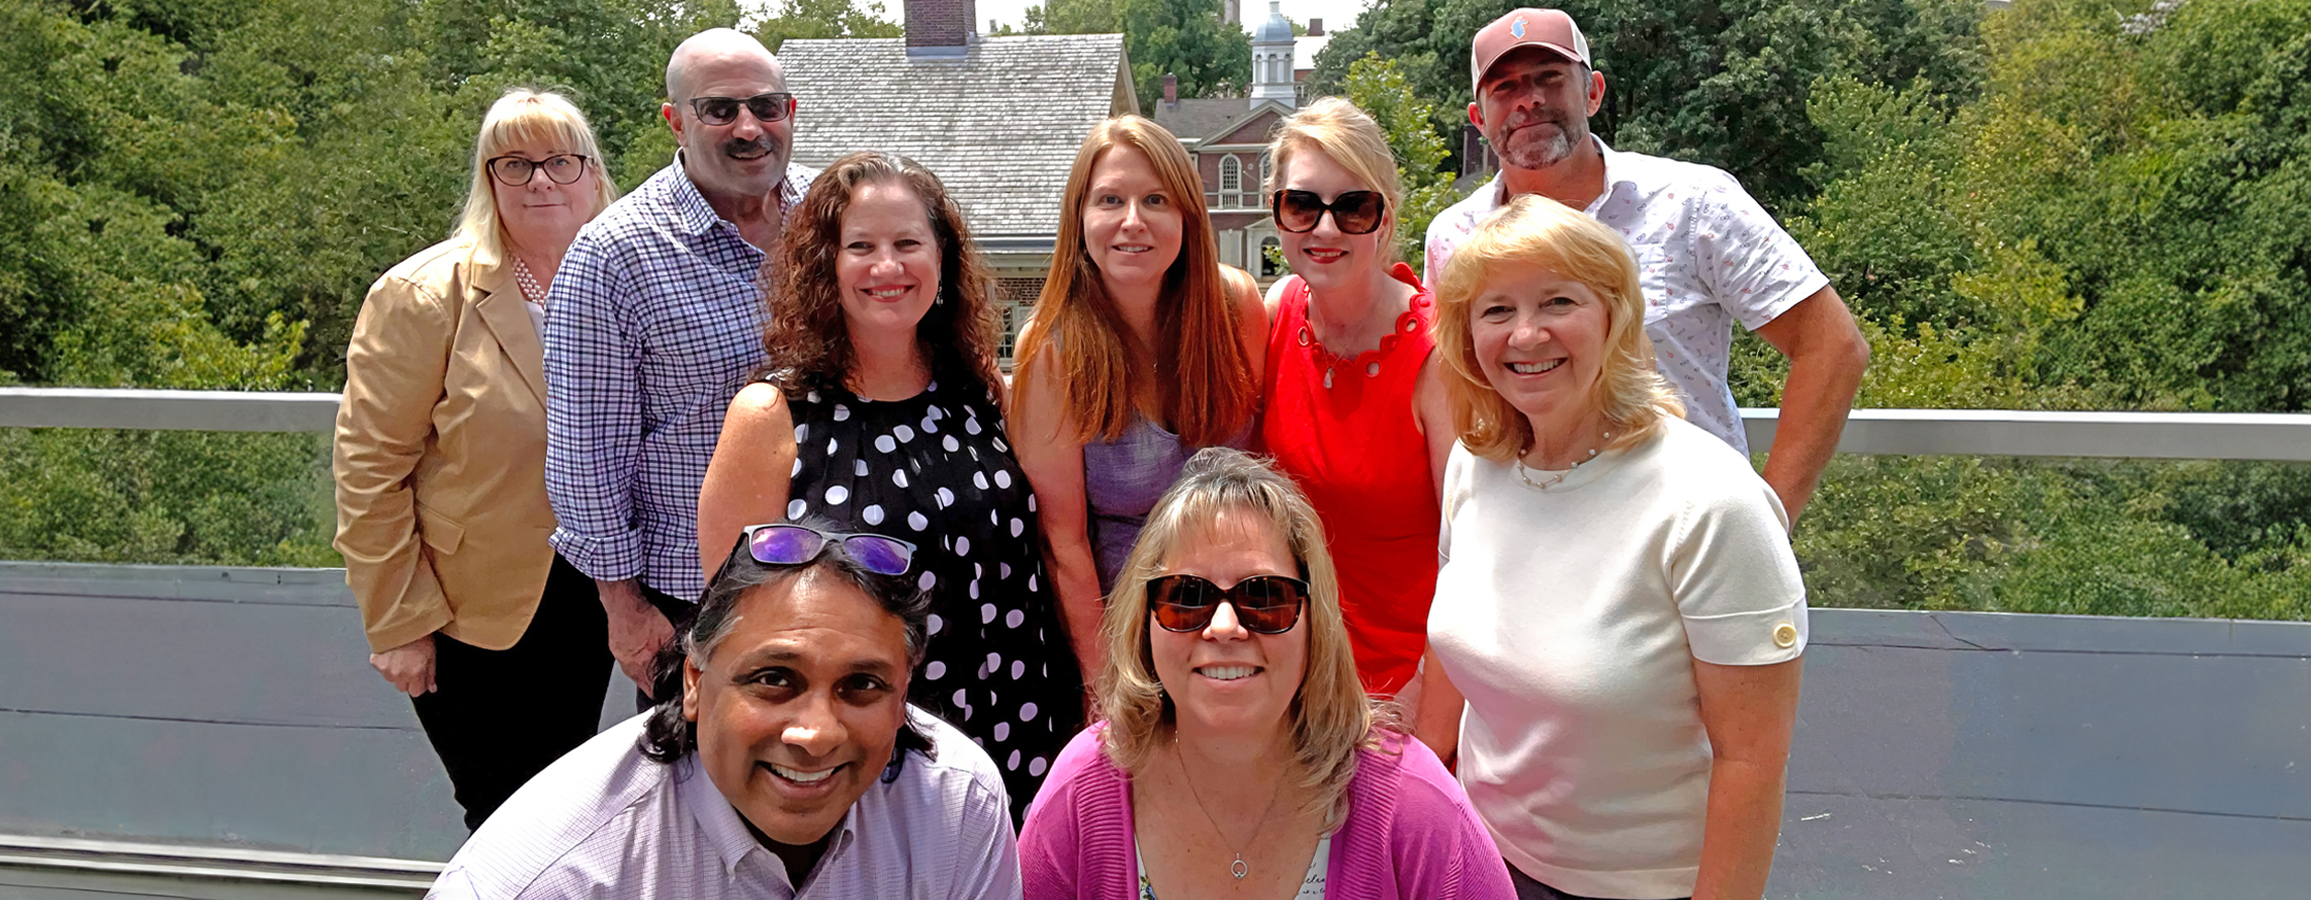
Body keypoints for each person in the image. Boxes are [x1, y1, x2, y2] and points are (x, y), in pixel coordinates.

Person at [1422, 195, 1808, 900]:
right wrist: (1419, 798)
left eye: (1557, 301)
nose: (1526, 334)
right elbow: (1454, 652)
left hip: (1638, 885)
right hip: (1479, 860)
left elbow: (1751, 759)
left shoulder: (1709, 500)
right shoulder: (1476, 466)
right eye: (1496, 310)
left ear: (1613, 316)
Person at [695, 151, 1083, 820]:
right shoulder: (773, 416)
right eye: (861, 246)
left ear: (942, 259)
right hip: (864, 749)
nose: (887, 267)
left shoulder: (985, 398)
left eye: (907, 243)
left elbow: (1054, 548)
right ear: (826, 265)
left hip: (1020, 720)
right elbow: (734, 625)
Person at [1422, 7, 1869, 525]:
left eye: (1550, 78)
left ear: (1593, 91)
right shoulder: (1453, 236)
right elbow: (1458, 388)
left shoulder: (1694, 203)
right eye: (1504, 88)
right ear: (1479, 118)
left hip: (1687, 534)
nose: (1530, 100)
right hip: (1533, 538)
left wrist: (1768, 518)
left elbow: (1833, 345)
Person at [1019, 447, 1514, 900]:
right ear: (1144, 620)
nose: (1224, 626)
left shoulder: (1414, 808)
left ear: (1314, 621)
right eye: (1187, 597)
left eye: (1264, 597)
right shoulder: (1082, 794)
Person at [427, 522, 1022, 899]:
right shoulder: (551, 875)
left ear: (903, 699)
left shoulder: (955, 803)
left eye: (862, 685)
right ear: (693, 681)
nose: (815, 734)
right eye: (772, 679)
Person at [334, 88, 620, 831]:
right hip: (474, 612)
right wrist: (398, 623)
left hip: (607, 595)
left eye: (560, 160)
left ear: (593, 175)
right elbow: (369, 469)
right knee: (505, 819)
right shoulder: (422, 296)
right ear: (487, 180)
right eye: (515, 164)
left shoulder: (624, 283)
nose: (541, 181)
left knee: (579, 813)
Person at [544, 27, 817, 702]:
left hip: (841, 577)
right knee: (708, 800)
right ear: (675, 120)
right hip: (698, 601)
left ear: (791, 111)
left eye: (766, 107)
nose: (749, 128)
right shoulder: (613, 257)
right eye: (719, 109)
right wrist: (625, 610)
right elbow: (586, 456)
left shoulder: (832, 217)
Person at [1009, 115, 1269, 686]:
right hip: (1131, 641)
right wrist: (1110, 687)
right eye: (1109, 200)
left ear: (1187, 217)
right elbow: (1065, 545)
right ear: (1080, 219)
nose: (1132, 221)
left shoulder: (1236, 308)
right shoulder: (1052, 352)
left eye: (1156, 199)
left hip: (1247, 624)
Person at [1256, 98, 1455, 700]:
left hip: (1405, 685)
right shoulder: (1278, 310)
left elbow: (1472, 557)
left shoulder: (1438, 355)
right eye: (1302, 205)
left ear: (1385, 218)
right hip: (1291, 674)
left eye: (1353, 208)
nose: (1324, 229)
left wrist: (1424, 709)